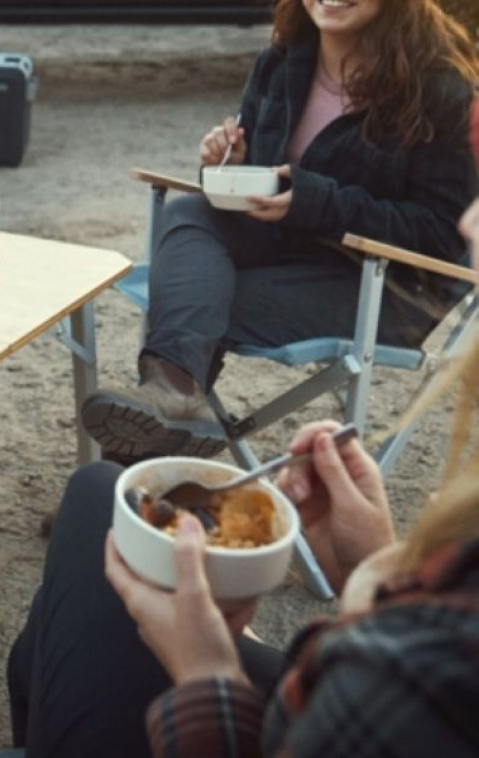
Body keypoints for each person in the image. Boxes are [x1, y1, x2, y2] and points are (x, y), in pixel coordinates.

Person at [5, 199, 479, 756]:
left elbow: (432, 229)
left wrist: (205, 671)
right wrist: (372, 566)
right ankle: (176, 386)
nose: (471, 220)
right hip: (287, 248)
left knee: (96, 504)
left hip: (361, 277)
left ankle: (174, 387)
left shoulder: (420, 671)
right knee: (190, 226)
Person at [81, 0, 479, 461]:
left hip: (381, 285)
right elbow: (265, 180)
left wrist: (318, 201)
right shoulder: (283, 61)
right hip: (287, 245)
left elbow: (441, 235)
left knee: (195, 300)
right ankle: (172, 395)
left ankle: (131, 471)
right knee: (189, 215)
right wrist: (231, 163)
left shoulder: (440, 90)